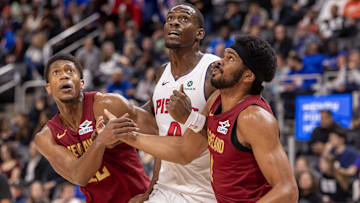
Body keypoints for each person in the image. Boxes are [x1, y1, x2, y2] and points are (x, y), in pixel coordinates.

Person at [105, 35, 298, 202]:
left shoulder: (254, 117)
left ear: (247, 76)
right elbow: (185, 149)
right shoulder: (217, 99)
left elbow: (287, 191)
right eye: (224, 55)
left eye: (230, 58)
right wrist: (128, 135)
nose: (220, 61)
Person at [33, 53, 158, 203]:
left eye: (70, 71)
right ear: (48, 88)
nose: (64, 76)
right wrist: (100, 142)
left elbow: (160, 133)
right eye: (56, 73)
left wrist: (153, 188)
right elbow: (79, 176)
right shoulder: (46, 137)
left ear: (82, 83)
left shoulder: (108, 105)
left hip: (137, 197)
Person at [128, 3, 220, 203]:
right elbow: (160, 135)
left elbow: (224, 131)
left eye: (184, 19)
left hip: (206, 191)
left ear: (199, 34)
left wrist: (189, 117)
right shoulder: (161, 73)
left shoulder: (213, 69)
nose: (174, 23)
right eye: (170, 19)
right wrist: (151, 189)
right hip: (166, 188)